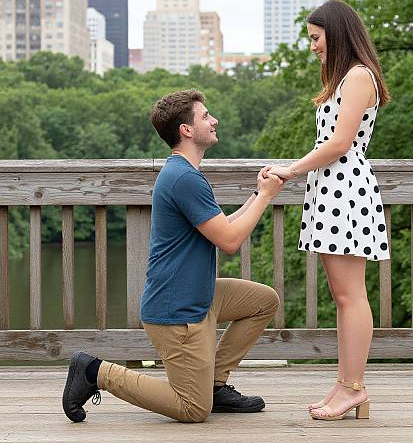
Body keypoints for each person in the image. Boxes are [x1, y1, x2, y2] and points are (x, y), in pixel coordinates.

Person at [62, 89, 283, 423]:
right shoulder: (183, 178)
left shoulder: (185, 173)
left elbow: (223, 227)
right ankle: (94, 371)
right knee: (193, 409)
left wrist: (257, 193)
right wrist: (266, 197)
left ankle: (214, 383)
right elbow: (230, 241)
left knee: (263, 301)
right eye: (206, 116)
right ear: (187, 130)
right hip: (176, 310)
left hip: (199, 295)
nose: (214, 120)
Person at [266, 0, 390, 421]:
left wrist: (289, 170)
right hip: (332, 190)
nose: (313, 47)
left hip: (344, 189)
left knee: (350, 295)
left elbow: (339, 144)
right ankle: (346, 385)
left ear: (335, 34)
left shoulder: (358, 76)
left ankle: (352, 388)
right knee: (344, 295)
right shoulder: (346, 77)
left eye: (316, 38)